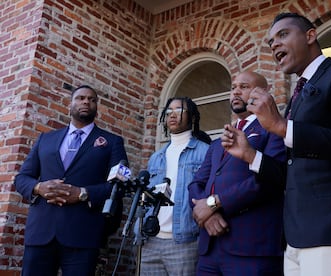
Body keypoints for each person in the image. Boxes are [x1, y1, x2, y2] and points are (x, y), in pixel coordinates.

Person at [221, 13, 331, 276]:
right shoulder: (297, 97)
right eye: (270, 42)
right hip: (297, 238)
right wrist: (250, 155)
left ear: (310, 35)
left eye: (282, 35)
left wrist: (282, 127)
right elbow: (292, 173)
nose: (275, 45)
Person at [14, 85, 128, 276]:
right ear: (70, 104)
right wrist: (39, 187)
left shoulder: (112, 142)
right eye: (81, 98)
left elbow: (121, 185)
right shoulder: (45, 139)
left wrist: (83, 193)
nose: (86, 102)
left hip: (83, 235)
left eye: (92, 99)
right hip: (41, 232)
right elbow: (22, 178)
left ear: (96, 106)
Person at [189, 71, 286, 275]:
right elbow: (197, 183)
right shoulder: (216, 143)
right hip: (210, 247)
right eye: (233, 87)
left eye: (243, 86)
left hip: (251, 246)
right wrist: (206, 216)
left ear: (263, 93)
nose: (235, 92)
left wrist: (214, 203)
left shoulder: (275, 130)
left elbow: (271, 180)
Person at [135, 97, 210, 275]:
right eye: (169, 111)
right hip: (151, 240)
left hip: (185, 241)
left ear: (192, 117)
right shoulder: (157, 156)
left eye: (179, 110)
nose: (172, 114)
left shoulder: (205, 151)